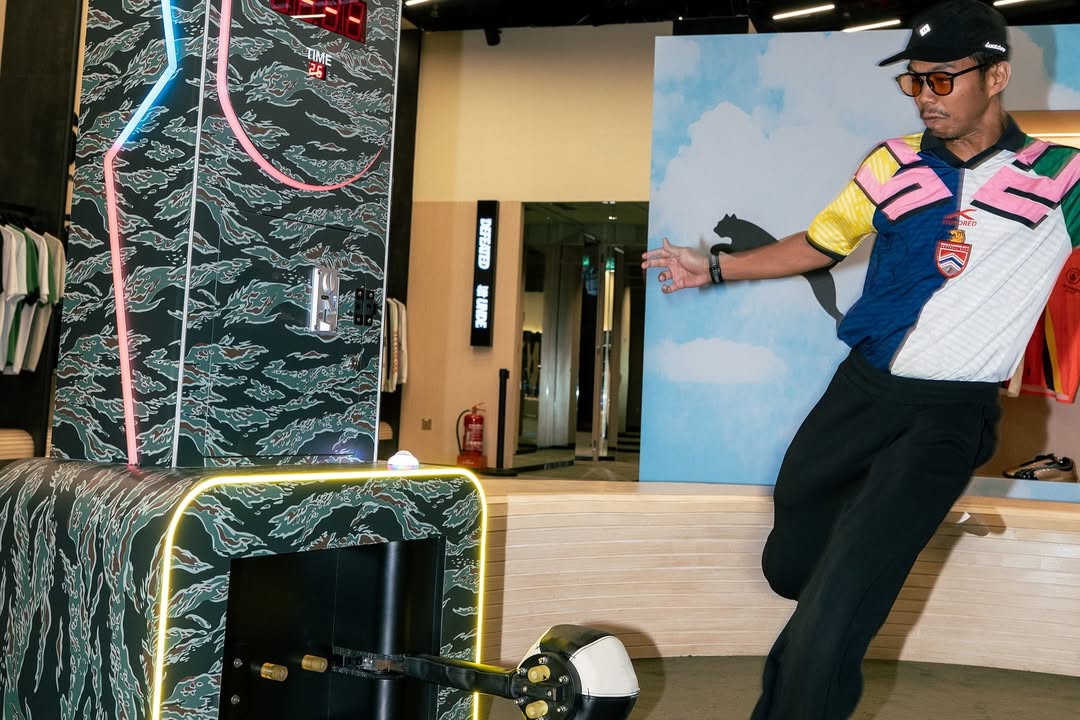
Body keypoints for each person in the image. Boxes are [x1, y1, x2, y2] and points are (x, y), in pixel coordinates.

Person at [641, 1, 1080, 718]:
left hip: (949, 417)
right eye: (915, 81)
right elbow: (821, 244)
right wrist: (714, 267)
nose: (925, 96)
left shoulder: (1061, 178)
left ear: (996, 76)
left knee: (838, 603)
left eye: (943, 79)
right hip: (862, 393)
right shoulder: (891, 163)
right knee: (792, 564)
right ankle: (867, 542)